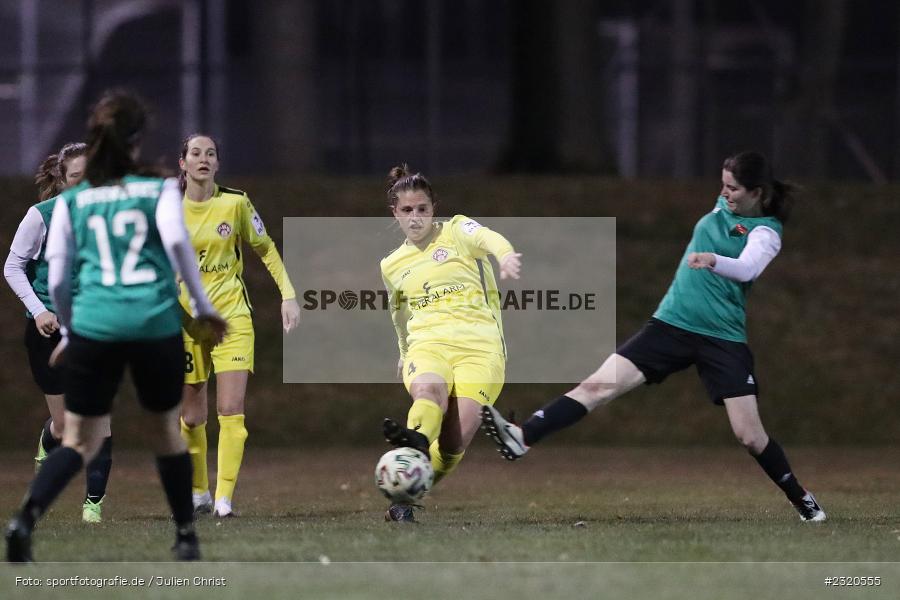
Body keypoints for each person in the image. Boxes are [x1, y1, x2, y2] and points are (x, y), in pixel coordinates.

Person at [482, 151, 826, 522]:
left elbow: (746, 269)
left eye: (733, 188)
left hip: (722, 338)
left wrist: (713, 260)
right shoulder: (725, 204)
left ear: (756, 192)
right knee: (597, 386)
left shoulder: (766, 232)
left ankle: (802, 499)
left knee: (750, 436)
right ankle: (523, 436)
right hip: (671, 323)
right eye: (723, 184)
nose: (724, 193)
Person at [5, 90, 226, 563]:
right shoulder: (158, 189)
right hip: (152, 322)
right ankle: (186, 536)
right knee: (165, 432)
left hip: (96, 325)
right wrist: (204, 308)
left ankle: (24, 521)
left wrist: (70, 333)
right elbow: (178, 247)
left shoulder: (73, 201)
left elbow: (58, 276)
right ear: (136, 140)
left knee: (78, 438)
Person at [379, 164, 522, 522]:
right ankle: (416, 444)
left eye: (422, 208)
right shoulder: (391, 264)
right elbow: (398, 314)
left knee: (453, 441)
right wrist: (403, 352)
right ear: (395, 213)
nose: (415, 217)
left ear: (434, 208)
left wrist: (505, 255)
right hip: (428, 344)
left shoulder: (458, 231)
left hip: (481, 348)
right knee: (429, 391)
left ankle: (408, 491)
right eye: (407, 210)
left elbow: (490, 238)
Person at [176, 133, 300, 518]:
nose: (203, 159)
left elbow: (265, 247)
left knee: (231, 409)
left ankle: (224, 500)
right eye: (196, 153)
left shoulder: (235, 203)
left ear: (217, 163)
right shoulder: (168, 210)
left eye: (210, 153)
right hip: (185, 322)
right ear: (183, 163)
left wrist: (288, 294)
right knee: (191, 416)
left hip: (232, 319)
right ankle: (199, 492)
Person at [4, 142, 115, 523]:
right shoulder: (41, 216)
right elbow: (12, 267)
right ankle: (49, 437)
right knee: (68, 426)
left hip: (93, 329)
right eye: (76, 177)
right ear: (63, 181)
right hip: (48, 331)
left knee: (99, 419)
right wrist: (38, 311)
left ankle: (92, 507)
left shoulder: (108, 215)